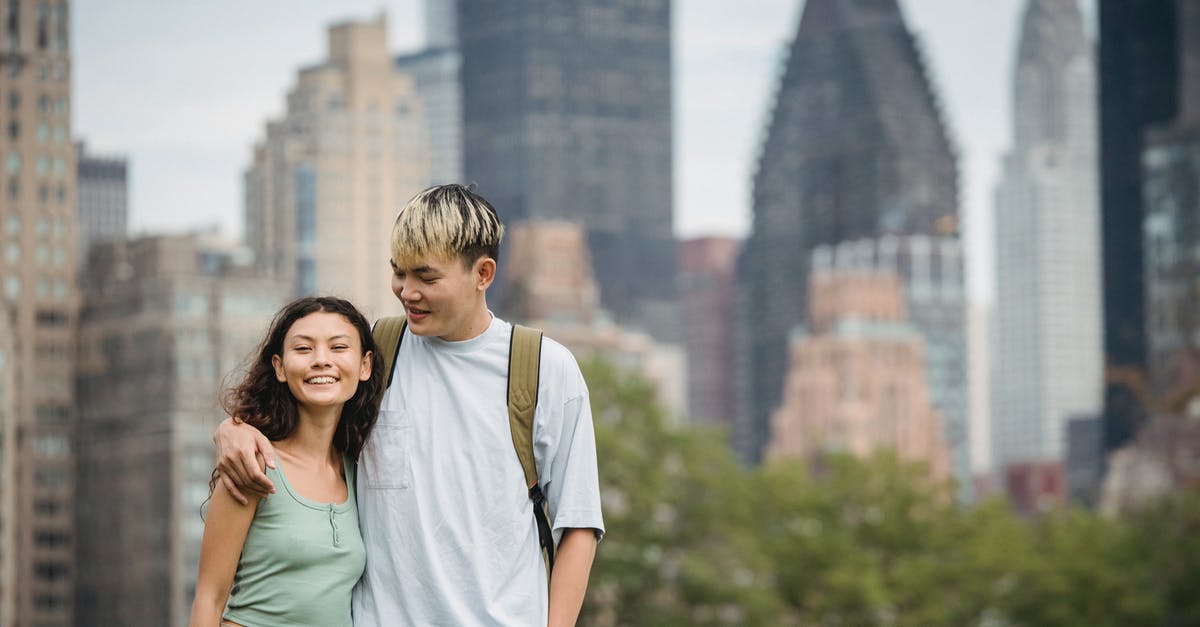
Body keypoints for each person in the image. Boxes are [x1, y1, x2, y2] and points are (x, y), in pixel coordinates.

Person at [215, 184, 605, 626]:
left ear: (483, 274)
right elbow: (292, 411)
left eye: (426, 276)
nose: (406, 291)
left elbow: (578, 523)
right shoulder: (377, 351)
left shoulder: (545, 369)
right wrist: (234, 430)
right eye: (398, 272)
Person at [190, 296, 384, 627]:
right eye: (304, 349)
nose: (321, 360)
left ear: (364, 365)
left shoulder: (357, 471)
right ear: (280, 367)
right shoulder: (253, 465)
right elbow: (209, 599)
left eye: (338, 347)